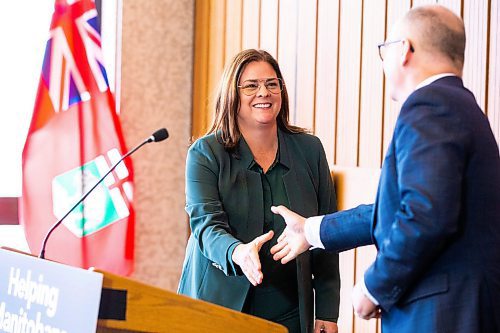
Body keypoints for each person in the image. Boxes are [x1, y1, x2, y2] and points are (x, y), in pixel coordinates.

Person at [270, 5, 500, 333]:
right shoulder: (459, 107)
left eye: (386, 49)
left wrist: (374, 286)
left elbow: (424, 215)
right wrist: (310, 231)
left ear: (404, 50)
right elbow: (396, 209)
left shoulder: (430, 107)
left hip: (438, 315)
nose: (383, 62)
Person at [178, 49, 340, 333]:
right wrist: (238, 252)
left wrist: (328, 311)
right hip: (217, 304)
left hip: (289, 309)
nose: (263, 92)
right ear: (232, 94)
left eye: (272, 83)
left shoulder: (310, 149)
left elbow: (324, 231)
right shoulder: (205, 153)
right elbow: (205, 227)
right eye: (251, 86)